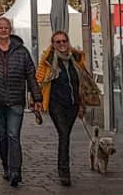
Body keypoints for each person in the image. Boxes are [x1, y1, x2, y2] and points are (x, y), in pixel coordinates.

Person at [0, 17, 43, 188]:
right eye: (0, 27)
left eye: (6, 27)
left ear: (10, 30)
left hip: (16, 100)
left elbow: (31, 74)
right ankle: (6, 166)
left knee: (13, 135)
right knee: (3, 136)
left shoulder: (21, 51)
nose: (3, 30)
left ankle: (15, 171)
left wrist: (37, 97)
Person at [36, 31, 92, 187]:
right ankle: (64, 171)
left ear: (68, 42)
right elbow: (39, 79)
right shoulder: (48, 60)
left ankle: (64, 168)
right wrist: (36, 101)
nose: (61, 44)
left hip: (73, 104)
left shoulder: (76, 58)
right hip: (56, 104)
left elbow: (81, 82)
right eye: (58, 42)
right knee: (64, 134)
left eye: (64, 41)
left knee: (66, 134)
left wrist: (81, 104)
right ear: (53, 44)